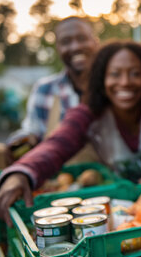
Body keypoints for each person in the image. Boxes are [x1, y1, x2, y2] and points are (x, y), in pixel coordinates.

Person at [0, 41, 141, 226]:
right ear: (102, 80)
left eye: (135, 74)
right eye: (114, 74)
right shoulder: (89, 115)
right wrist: (22, 173)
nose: (125, 82)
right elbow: (58, 143)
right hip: (125, 211)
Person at [5, 16, 99, 161]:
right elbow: (32, 131)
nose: (75, 47)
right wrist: (20, 144)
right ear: (58, 48)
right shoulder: (45, 89)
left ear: (95, 41)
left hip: (113, 180)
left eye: (82, 38)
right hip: (61, 180)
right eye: (66, 42)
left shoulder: (113, 87)